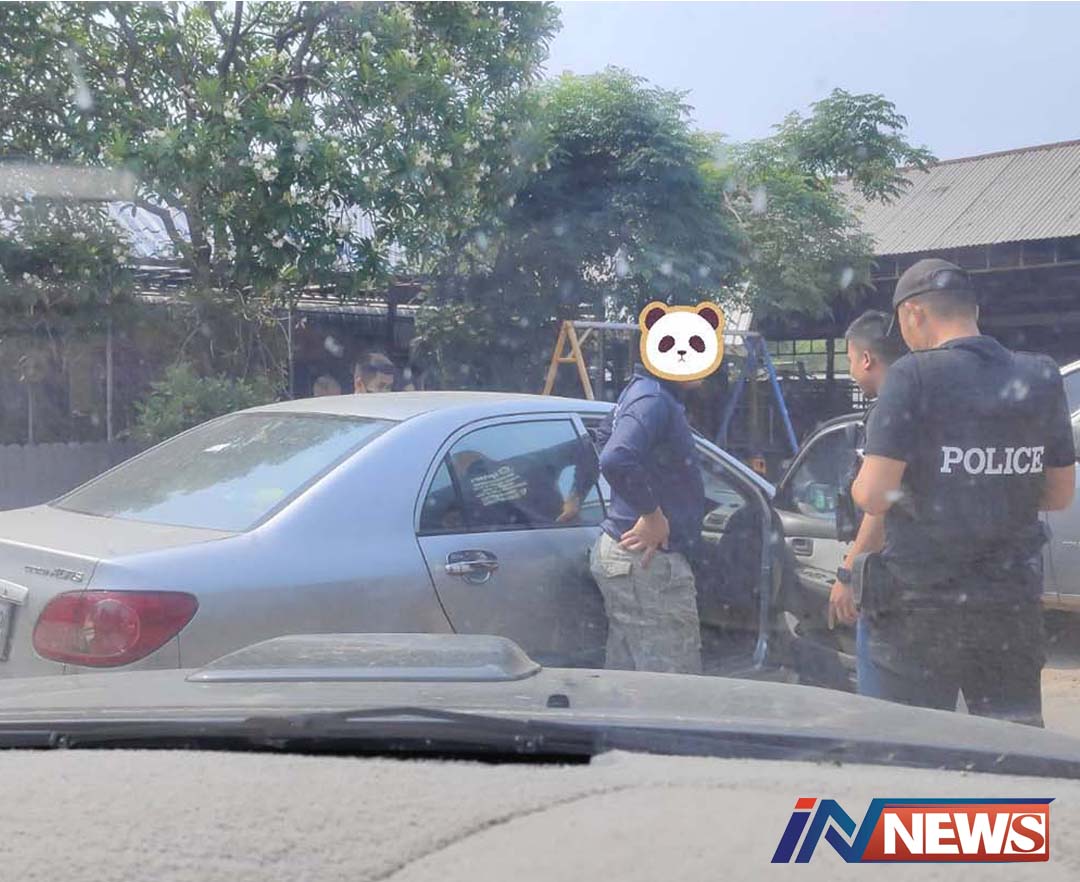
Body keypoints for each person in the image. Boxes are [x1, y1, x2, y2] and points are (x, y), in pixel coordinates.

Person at [851, 258, 1076, 726]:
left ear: (914, 314)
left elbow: (873, 496)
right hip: (1010, 609)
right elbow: (1058, 495)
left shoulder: (912, 375)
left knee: (914, 746)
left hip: (922, 611)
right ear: (974, 310)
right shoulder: (1040, 376)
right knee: (1011, 748)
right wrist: (994, 489)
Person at [588, 364, 707, 674]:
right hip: (647, 562)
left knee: (629, 679)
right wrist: (651, 514)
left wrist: (647, 494)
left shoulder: (640, 392)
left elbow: (603, 437)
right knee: (672, 684)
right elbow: (615, 458)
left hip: (628, 556)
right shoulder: (654, 400)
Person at [827, 310, 906, 695]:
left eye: (849, 359)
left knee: (880, 709)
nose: (851, 370)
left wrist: (848, 573)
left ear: (866, 359)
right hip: (930, 583)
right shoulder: (926, 403)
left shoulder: (888, 412)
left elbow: (879, 505)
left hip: (888, 582)